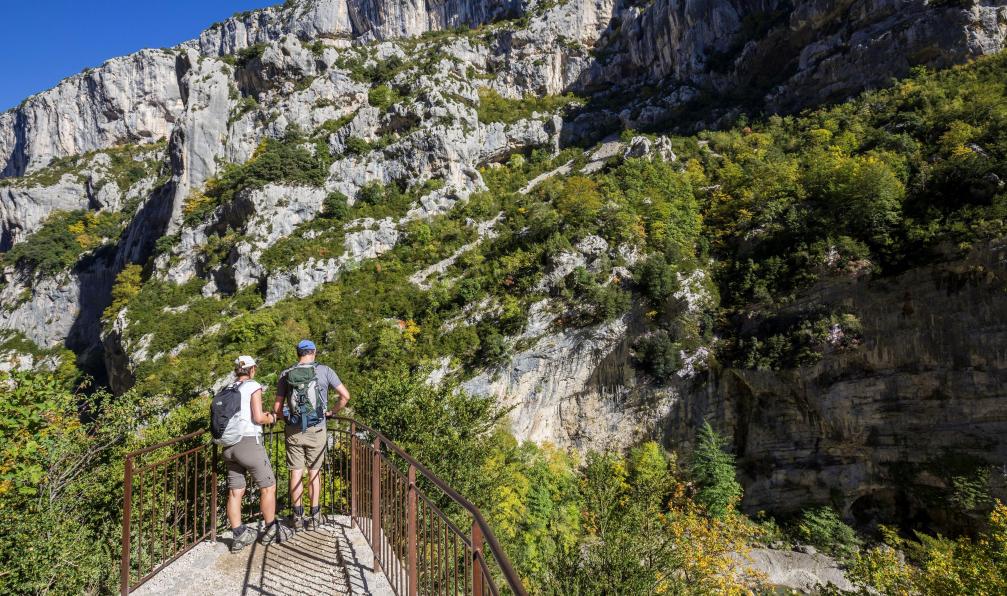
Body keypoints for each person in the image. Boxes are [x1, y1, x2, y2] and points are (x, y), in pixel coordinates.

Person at [273, 340, 350, 531]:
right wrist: (331, 411)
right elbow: (345, 396)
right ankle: (315, 516)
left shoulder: (286, 374)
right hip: (317, 429)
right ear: (314, 352)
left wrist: (289, 421)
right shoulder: (325, 371)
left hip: (294, 430)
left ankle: (297, 517)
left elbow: (277, 408)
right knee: (314, 472)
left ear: (297, 353)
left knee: (296, 472)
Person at [221, 355, 292, 552]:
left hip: (228, 446)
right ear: (252, 370)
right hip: (248, 442)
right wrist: (272, 418)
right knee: (268, 486)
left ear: (236, 370)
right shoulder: (253, 386)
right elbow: (258, 417)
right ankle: (271, 529)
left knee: (235, 492)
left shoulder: (227, 388)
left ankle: (238, 535)